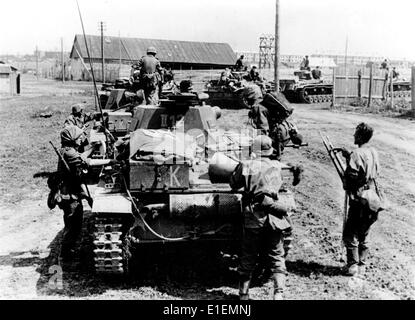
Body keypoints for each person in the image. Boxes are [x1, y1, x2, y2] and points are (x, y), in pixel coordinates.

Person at [230, 135, 294, 300]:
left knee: (248, 256)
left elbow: (234, 183)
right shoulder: (278, 166)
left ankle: (244, 295)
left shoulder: (247, 165)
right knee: (277, 255)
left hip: (254, 216)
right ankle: (278, 293)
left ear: (254, 150)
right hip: (275, 216)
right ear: (270, 150)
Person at [335, 123, 382, 276]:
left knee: (350, 232)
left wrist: (347, 184)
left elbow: (352, 176)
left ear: (360, 136)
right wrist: (349, 155)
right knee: (364, 231)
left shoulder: (357, 154)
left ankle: (352, 265)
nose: (354, 136)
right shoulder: (373, 151)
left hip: (360, 197)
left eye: (356, 134)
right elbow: (368, 168)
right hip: (372, 197)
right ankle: (362, 264)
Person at [243, 86, 303, 160]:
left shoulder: (258, 108)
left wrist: (257, 146)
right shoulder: (265, 103)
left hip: (277, 136)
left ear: (250, 97)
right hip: (285, 133)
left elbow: (263, 130)